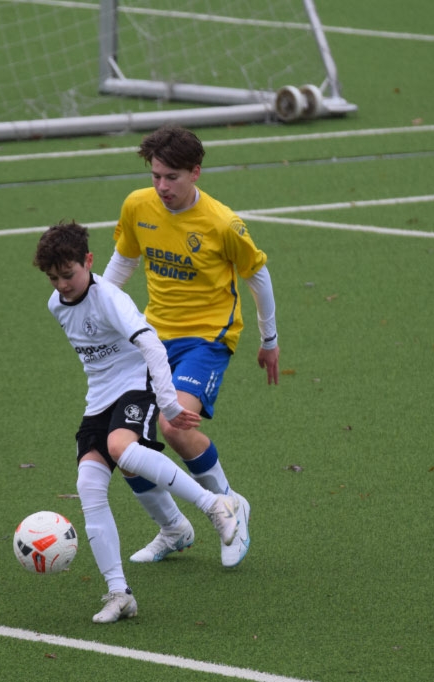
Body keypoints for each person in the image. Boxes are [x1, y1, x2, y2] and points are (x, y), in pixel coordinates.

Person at [33, 220, 242, 624]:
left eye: (68, 274)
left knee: (120, 448)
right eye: (53, 278)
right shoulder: (56, 305)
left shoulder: (109, 298)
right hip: (100, 397)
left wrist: (168, 403)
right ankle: (119, 594)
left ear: (88, 261)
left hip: (137, 383)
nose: (62, 285)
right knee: (88, 484)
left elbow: (150, 344)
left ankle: (216, 505)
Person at [102, 125, 280, 569]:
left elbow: (258, 277)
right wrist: (98, 309)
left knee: (174, 426)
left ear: (195, 172)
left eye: (172, 177)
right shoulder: (137, 205)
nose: (162, 186)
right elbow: (125, 259)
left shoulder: (222, 223)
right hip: (152, 338)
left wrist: (269, 339)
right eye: (155, 176)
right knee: (124, 443)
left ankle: (229, 504)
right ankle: (173, 529)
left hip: (207, 338)